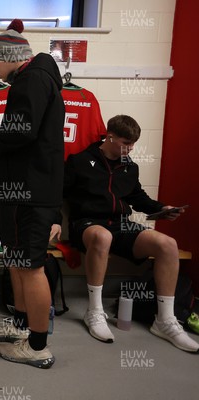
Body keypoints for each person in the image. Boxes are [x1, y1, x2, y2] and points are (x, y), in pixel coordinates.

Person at [0, 19, 64, 368]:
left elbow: (21, 133)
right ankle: (21, 328)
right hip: (24, 191)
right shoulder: (35, 78)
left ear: (9, 55)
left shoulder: (33, 80)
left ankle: (36, 346)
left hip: (30, 194)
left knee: (31, 267)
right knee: (18, 263)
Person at [64, 114, 198, 352]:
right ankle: (94, 311)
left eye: (133, 144)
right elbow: (58, 195)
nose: (130, 148)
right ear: (110, 136)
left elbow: (138, 198)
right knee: (102, 236)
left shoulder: (129, 167)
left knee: (168, 244)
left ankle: (165, 320)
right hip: (87, 224)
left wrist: (161, 209)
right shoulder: (80, 161)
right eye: (126, 143)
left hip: (120, 224)